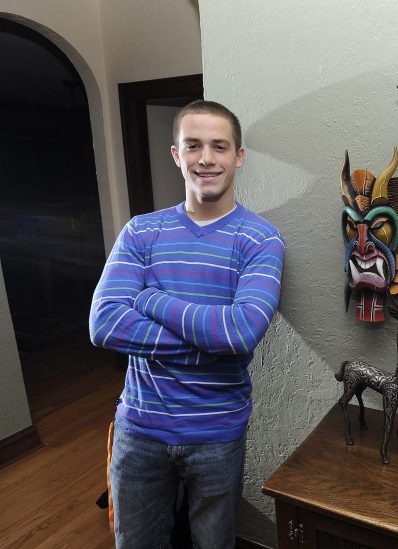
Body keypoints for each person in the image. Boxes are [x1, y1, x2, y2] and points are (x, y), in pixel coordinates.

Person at [89, 100, 285, 548]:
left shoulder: (260, 238)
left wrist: (150, 299)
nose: (206, 158)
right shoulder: (141, 232)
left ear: (238, 156)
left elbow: (239, 333)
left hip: (217, 435)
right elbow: (104, 325)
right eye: (193, 145)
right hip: (139, 430)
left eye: (219, 146)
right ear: (176, 154)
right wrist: (212, 342)